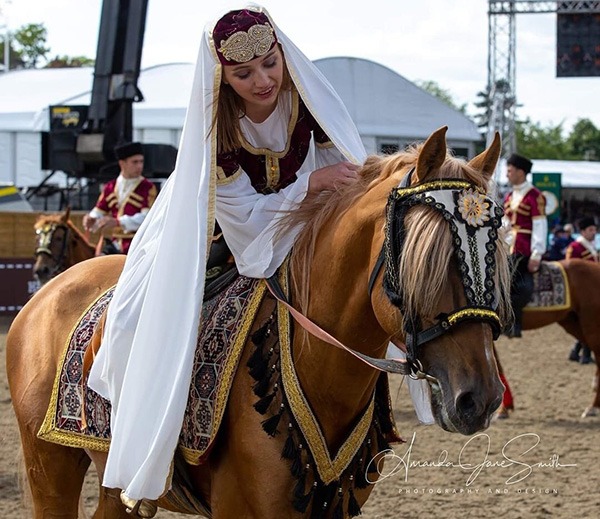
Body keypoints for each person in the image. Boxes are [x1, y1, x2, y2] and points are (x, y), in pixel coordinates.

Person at [87, 4, 367, 507]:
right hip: (208, 228)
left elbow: (344, 168)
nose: (262, 80)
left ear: (282, 54)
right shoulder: (219, 127)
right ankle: (141, 445)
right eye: (243, 73)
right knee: (132, 320)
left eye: (269, 64)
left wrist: (328, 194)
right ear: (223, 75)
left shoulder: (310, 102)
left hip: (302, 229)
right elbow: (242, 224)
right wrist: (309, 185)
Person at [82, 142, 157, 254]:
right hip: (115, 243)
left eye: (141, 162)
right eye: (135, 162)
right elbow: (99, 211)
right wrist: (91, 219)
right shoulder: (110, 187)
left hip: (139, 243)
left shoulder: (147, 187)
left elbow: (147, 218)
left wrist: (118, 222)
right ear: (122, 164)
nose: (139, 166)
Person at [503, 153, 547, 338]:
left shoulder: (535, 196)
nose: (507, 174)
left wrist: (537, 254)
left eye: (510, 170)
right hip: (507, 247)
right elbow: (505, 223)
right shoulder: (510, 196)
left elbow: (539, 225)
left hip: (524, 248)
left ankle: (515, 322)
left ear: (520, 172)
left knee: (522, 285)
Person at [566, 216, 597, 364]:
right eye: (590, 230)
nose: (593, 233)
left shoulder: (591, 247)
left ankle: (575, 352)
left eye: (595, 230)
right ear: (583, 232)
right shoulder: (575, 247)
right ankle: (584, 356)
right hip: (581, 292)